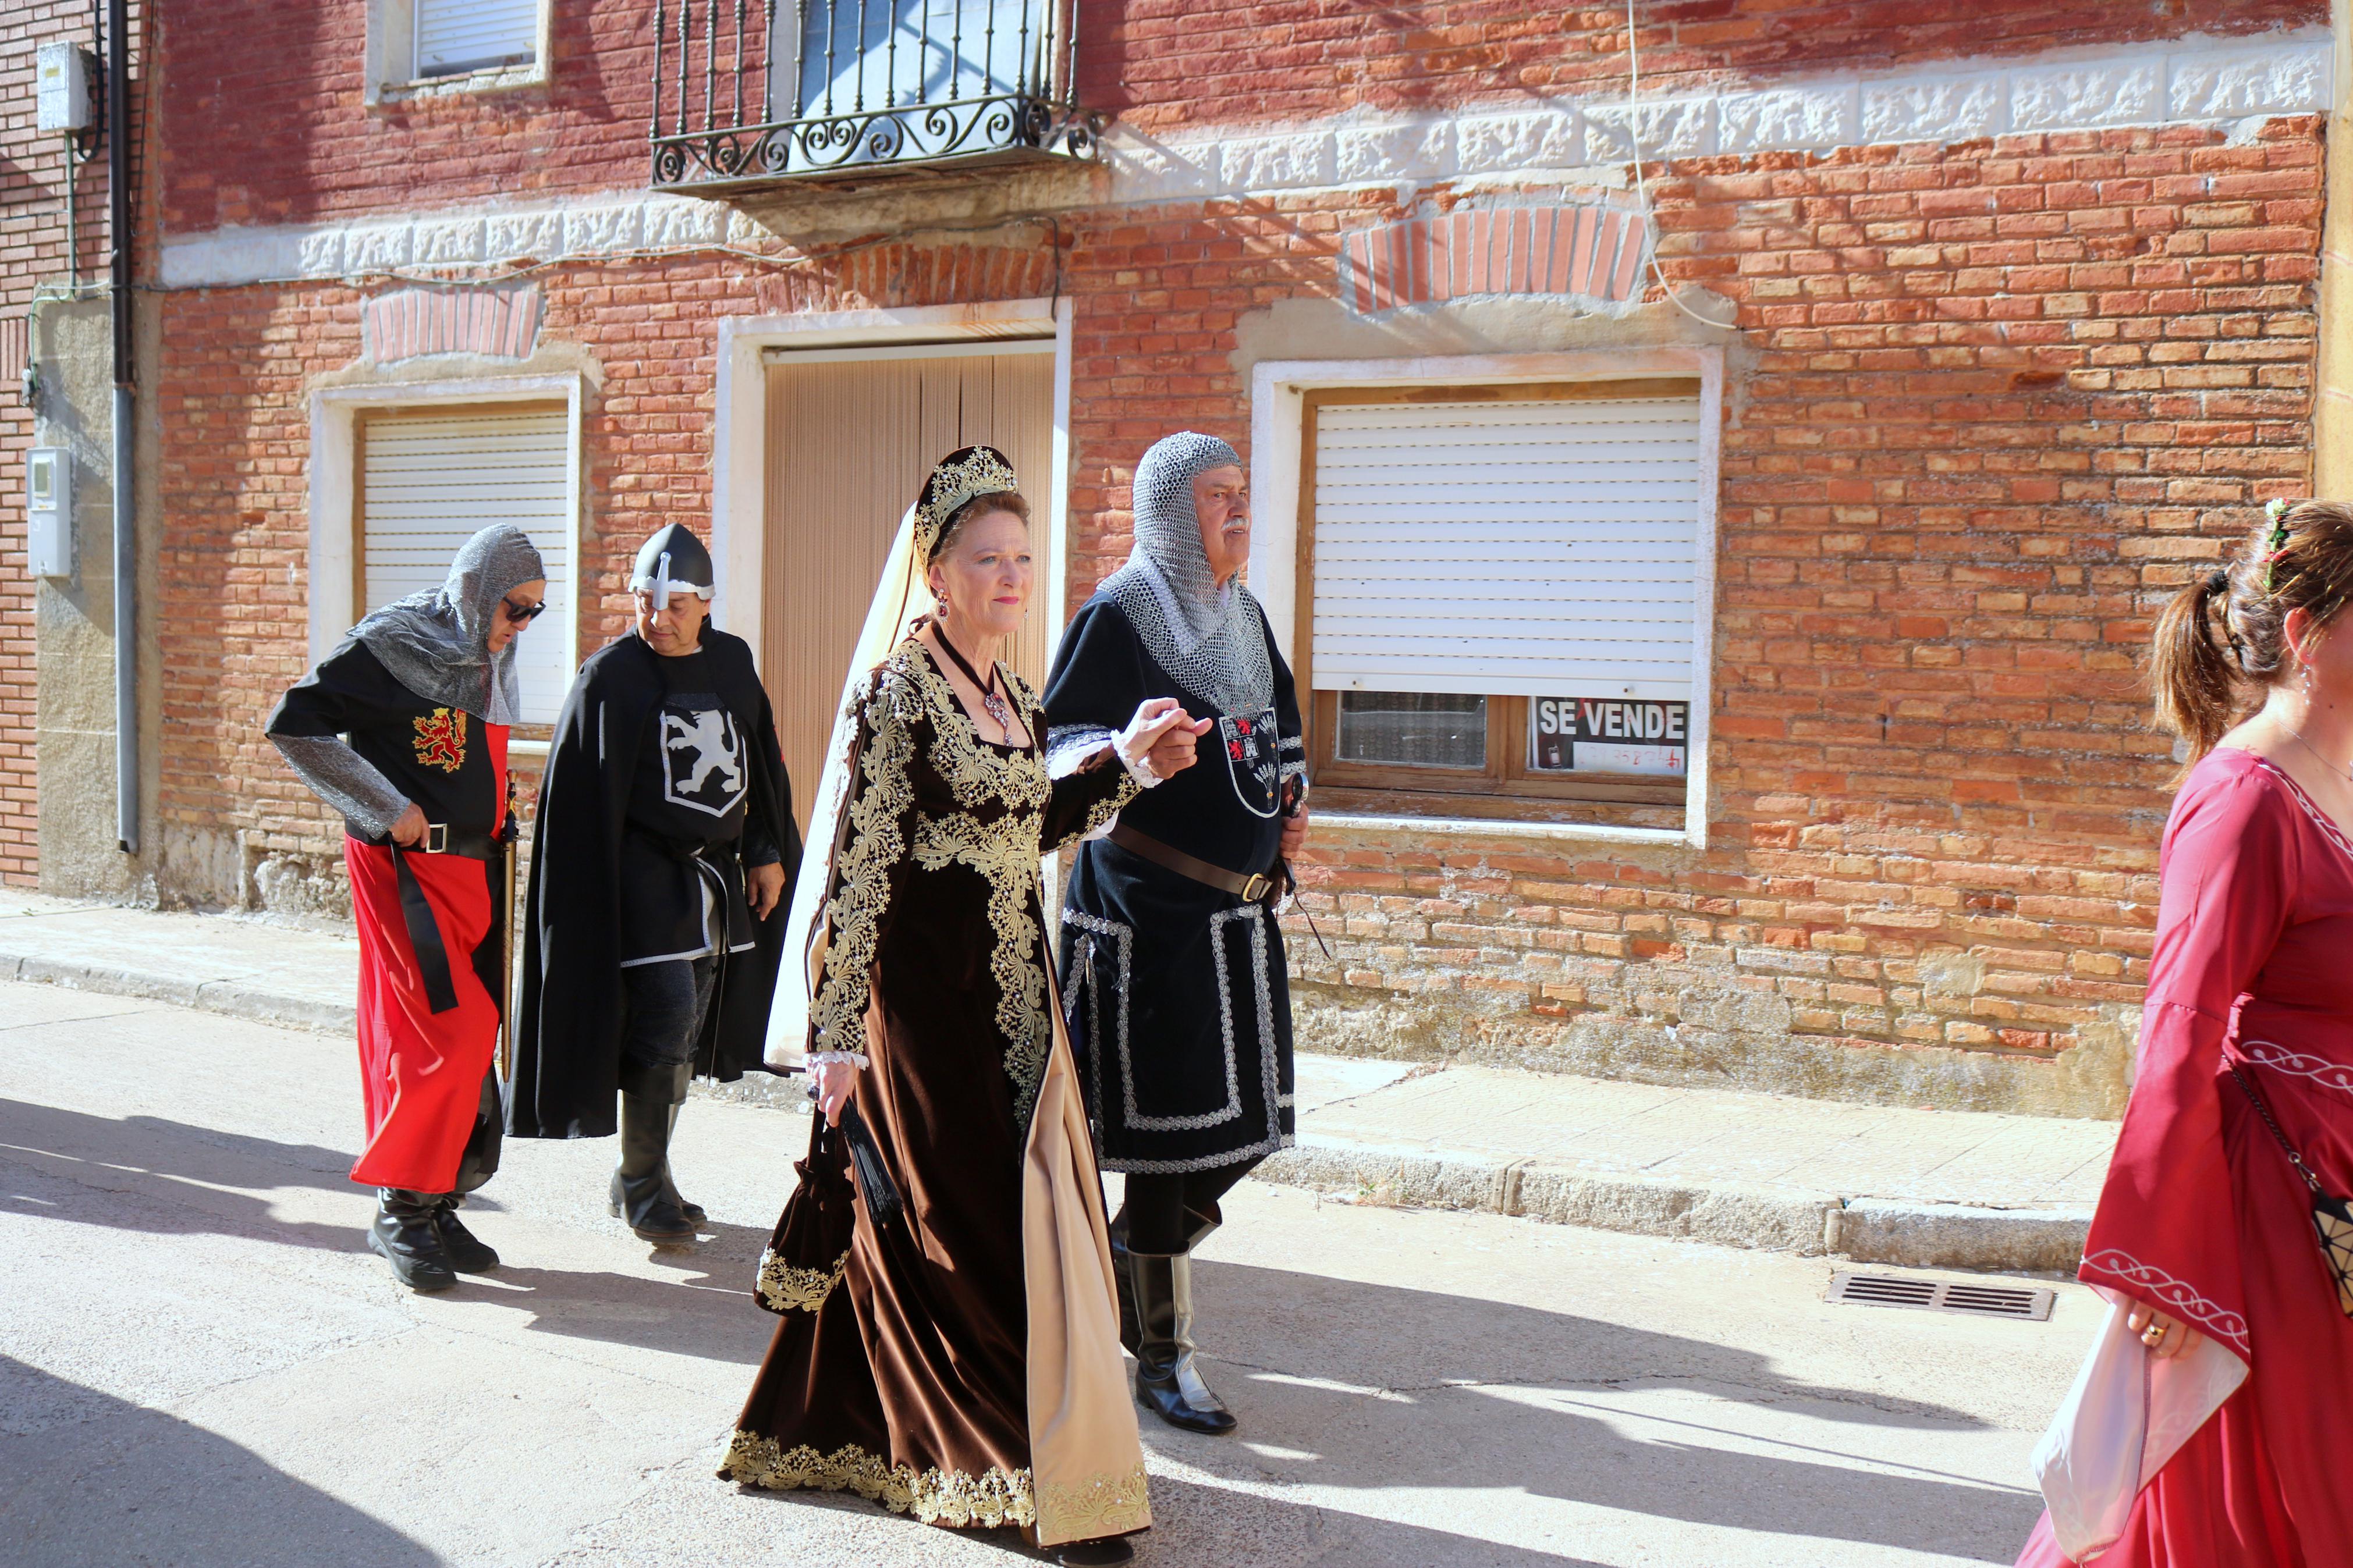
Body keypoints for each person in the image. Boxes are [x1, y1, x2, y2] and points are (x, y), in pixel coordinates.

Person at [719, 447, 1200, 1566]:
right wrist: (834, 1040)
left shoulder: (1012, 695)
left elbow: (1023, 829)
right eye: (987, 559)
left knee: (1004, 1225)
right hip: (924, 1018)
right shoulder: (901, 693)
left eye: (1022, 557)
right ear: (935, 572)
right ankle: (1003, 1477)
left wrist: (1129, 767)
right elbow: (860, 867)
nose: (1011, 576)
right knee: (974, 1234)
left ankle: (841, 1429)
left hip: (1018, 1005)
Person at [2015, 500, 2353, 1566]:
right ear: (2304, 638)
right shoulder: (2241, 799)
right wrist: (2164, 1256)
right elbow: (2179, 1024)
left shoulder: (2339, 782)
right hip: (2275, 1210)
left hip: (2337, 1181)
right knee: (2278, 1493)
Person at [1042, 431, 1307, 1435]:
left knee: (1243, 1134)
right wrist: (1123, 749)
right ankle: (1163, 1355)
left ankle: (1120, 1262)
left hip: (1237, 919)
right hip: (1145, 922)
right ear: (1167, 513)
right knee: (1166, 1145)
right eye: (1216, 498)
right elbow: (1055, 745)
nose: (1238, 512)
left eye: (1243, 493)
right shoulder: (1118, 617)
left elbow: (1275, 728)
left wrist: (1291, 802)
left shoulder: (1241, 615)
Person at [266, 523, 548, 1293]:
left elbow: (460, 752)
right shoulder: (390, 642)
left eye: (533, 613)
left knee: (471, 1035)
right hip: (407, 873)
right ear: (477, 592)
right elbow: (296, 723)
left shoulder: (490, 654)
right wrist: (384, 803)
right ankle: (397, 1206)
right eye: (514, 608)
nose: (520, 627)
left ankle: (436, 1196)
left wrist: (497, 805)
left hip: (474, 872)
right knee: (447, 1034)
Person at [505, 523, 800, 1241]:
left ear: (704, 602)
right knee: (667, 1009)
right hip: (639, 872)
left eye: (674, 606)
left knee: (692, 1016)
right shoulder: (610, 675)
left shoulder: (731, 662)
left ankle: (647, 1172)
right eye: (644, 602)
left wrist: (763, 848)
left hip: (713, 874)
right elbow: (576, 799)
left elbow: (757, 762)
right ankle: (640, 1182)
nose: (656, 619)